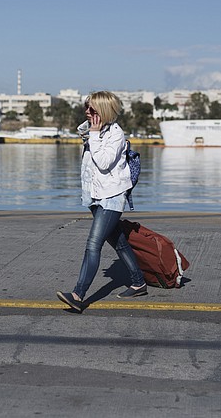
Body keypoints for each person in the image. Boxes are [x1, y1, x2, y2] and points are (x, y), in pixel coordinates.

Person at [57, 91, 147, 313]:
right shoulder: (94, 132)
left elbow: (104, 162)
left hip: (111, 196)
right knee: (119, 242)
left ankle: (78, 295)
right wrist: (93, 129)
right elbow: (84, 147)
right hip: (95, 196)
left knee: (93, 244)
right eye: (86, 108)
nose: (87, 112)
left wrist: (95, 134)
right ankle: (139, 282)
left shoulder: (114, 134)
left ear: (103, 112)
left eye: (92, 109)